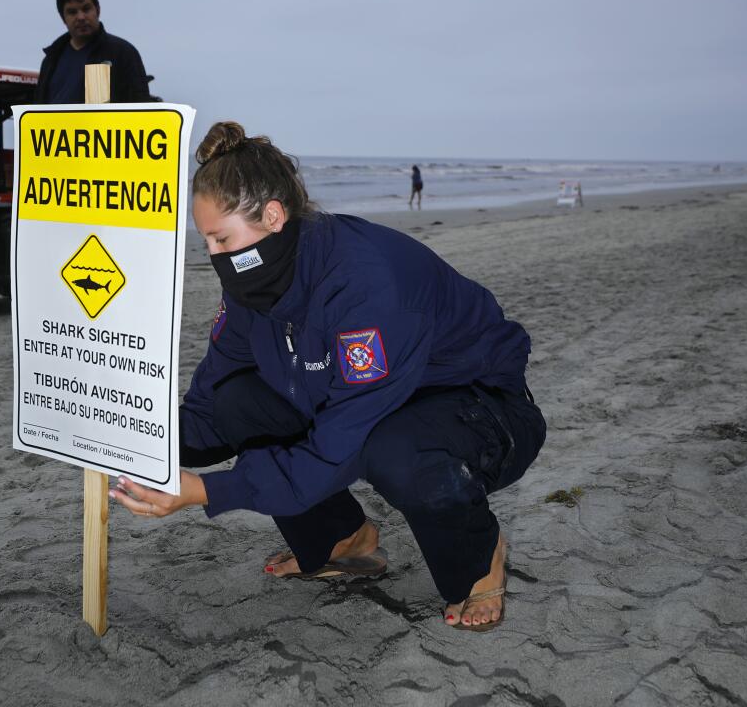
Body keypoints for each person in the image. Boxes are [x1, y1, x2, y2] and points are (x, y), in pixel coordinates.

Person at [109, 122, 546, 631]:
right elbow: (209, 404)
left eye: (221, 237)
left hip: (482, 411)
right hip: (366, 405)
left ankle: (478, 556)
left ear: (273, 216)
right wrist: (134, 438)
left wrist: (207, 491)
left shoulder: (366, 285)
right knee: (238, 404)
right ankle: (343, 540)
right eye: (204, 238)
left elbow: (340, 446)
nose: (211, 254)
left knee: (394, 451)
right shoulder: (251, 285)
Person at [35, 0, 151, 104]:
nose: (80, 17)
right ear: (63, 18)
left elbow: (141, 107)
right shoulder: (51, 60)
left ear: (98, 10)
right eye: (72, 12)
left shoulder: (122, 53)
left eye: (86, 9)